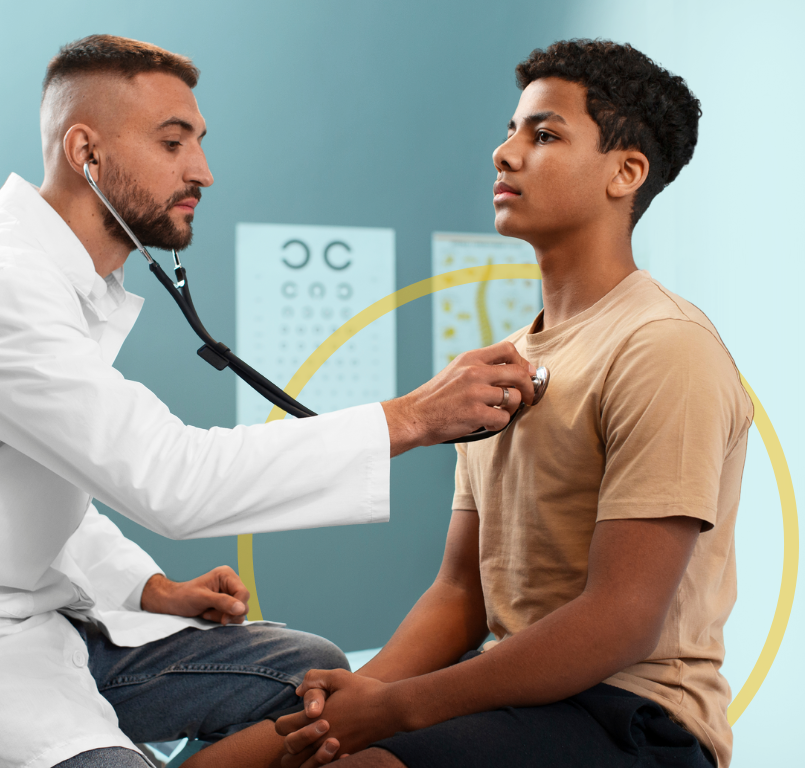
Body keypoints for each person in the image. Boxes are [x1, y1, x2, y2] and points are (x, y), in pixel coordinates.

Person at [0, 35, 538, 768]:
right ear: (85, 152)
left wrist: (150, 586)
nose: (201, 170)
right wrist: (412, 417)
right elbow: (169, 479)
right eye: (173, 143)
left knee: (309, 671)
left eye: (198, 141)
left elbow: (19, 480)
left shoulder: (69, 282)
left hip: (47, 622)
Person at [199, 39, 752, 768]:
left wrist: (392, 712)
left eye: (544, 134)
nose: (505, 152)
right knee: (227, 763)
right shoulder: (501, 364)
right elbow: (461, 593)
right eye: (512, 129)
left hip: (632, 717)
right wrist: (347, 705)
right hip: (512, 698)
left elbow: (621, 621)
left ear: (627, 172)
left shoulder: (662, 346)